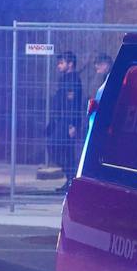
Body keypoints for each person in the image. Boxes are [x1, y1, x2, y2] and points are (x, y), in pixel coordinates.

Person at [48, 50, 85, 194]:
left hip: (68, 121)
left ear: (70, 64)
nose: (58, 65)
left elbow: (73, 104)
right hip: (61, 120)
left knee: (57, 147)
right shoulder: (64, 78)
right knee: (64, 150)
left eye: (61, 62)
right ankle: (70, 179)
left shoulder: (73, 80)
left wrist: (72, 125)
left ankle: (72, 177)